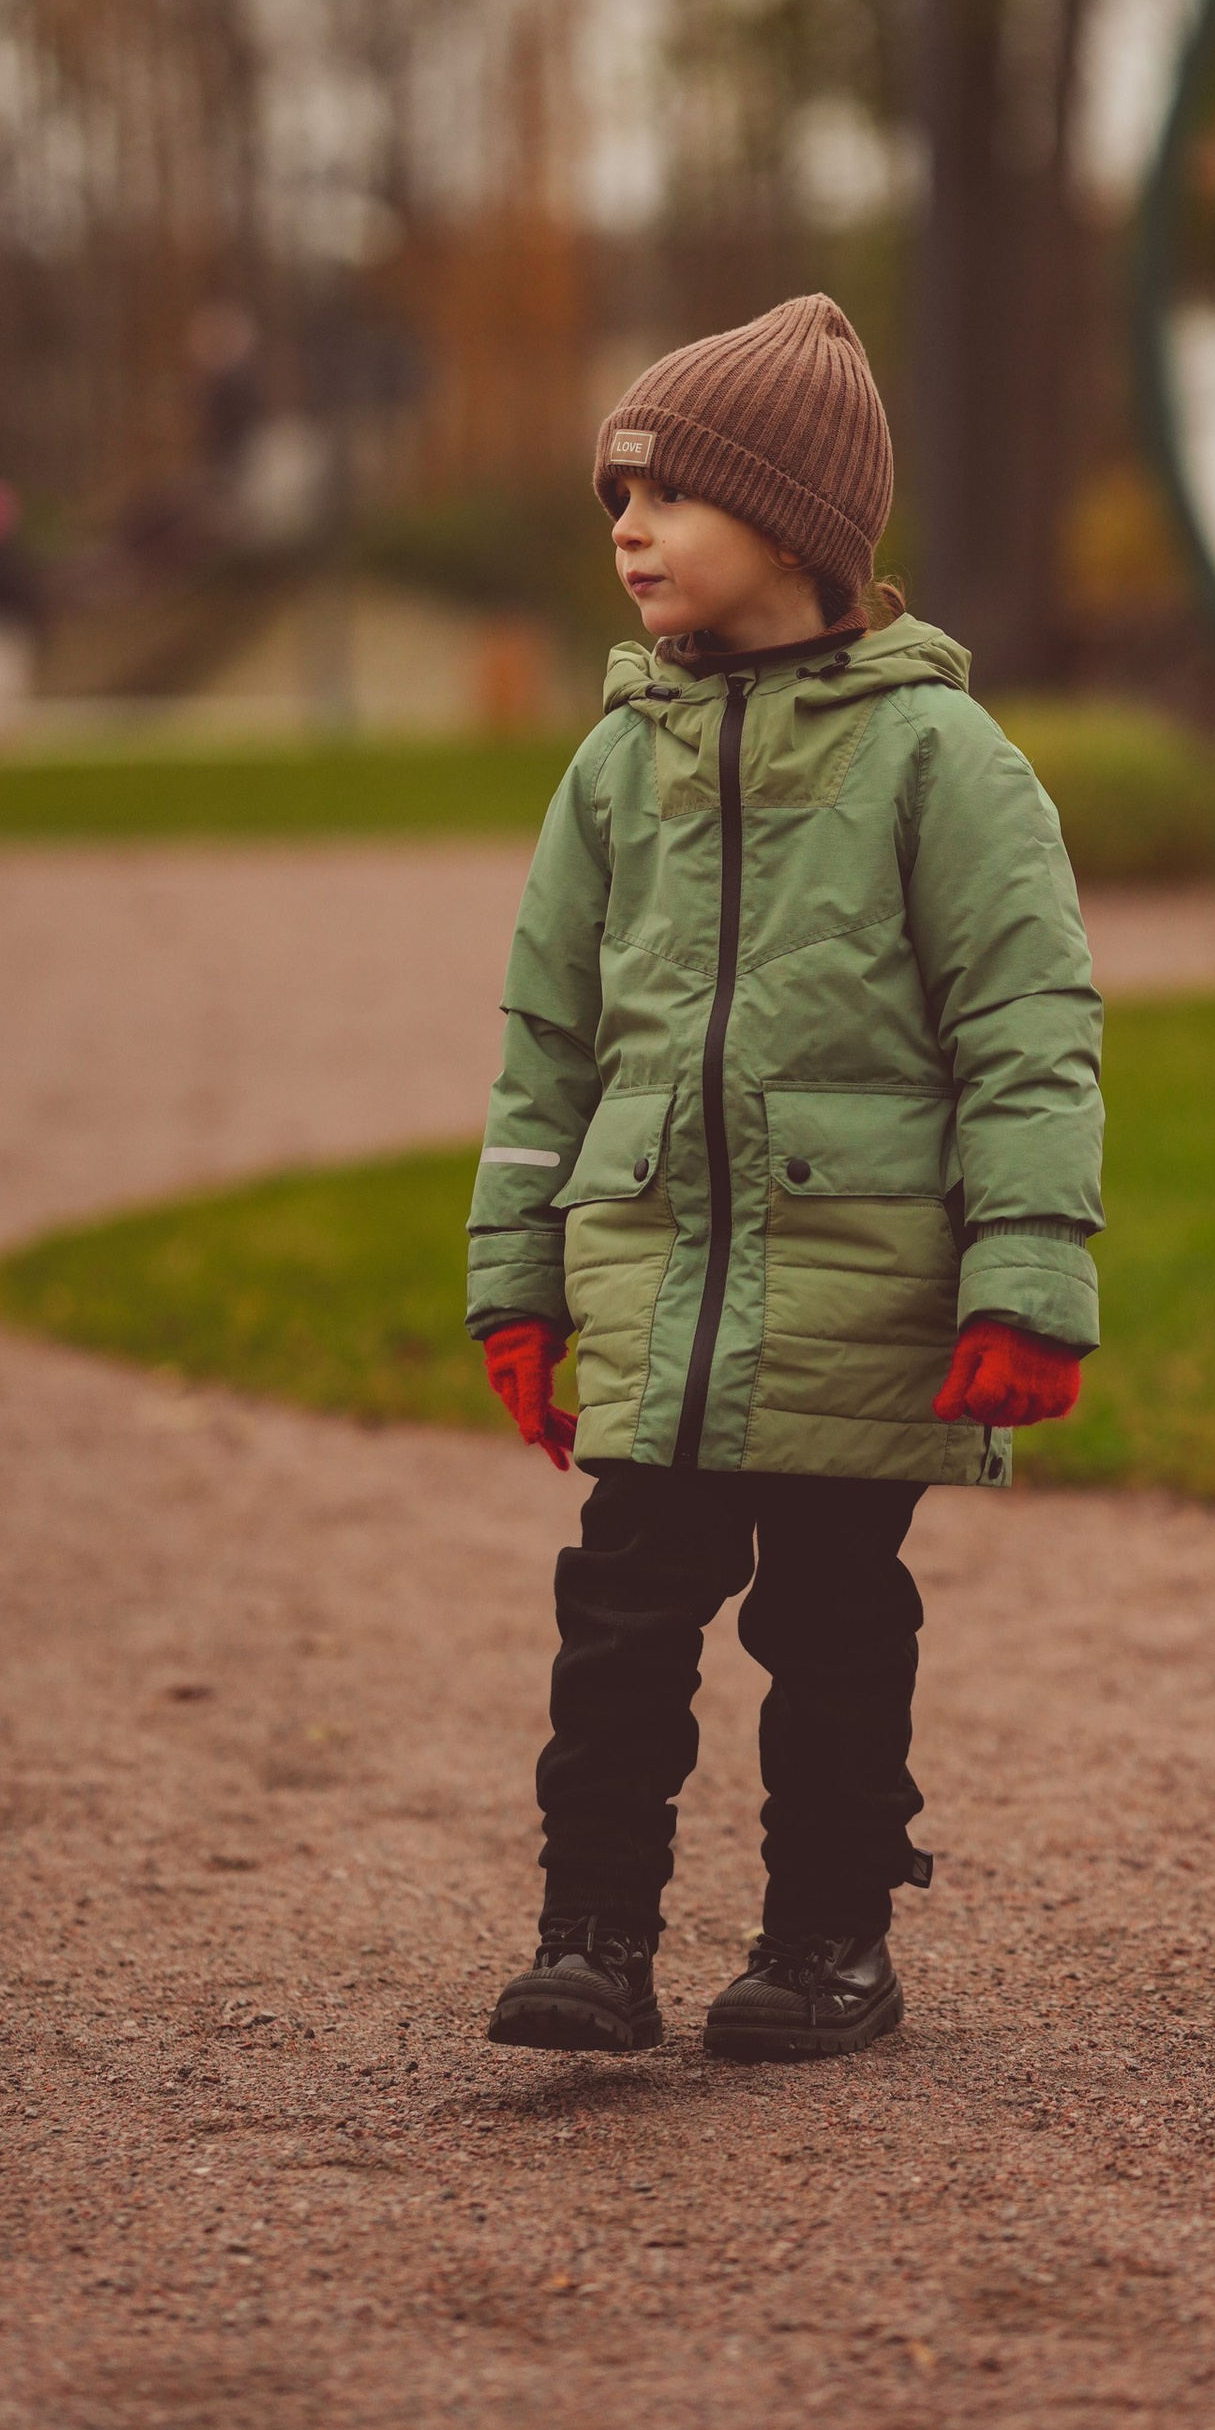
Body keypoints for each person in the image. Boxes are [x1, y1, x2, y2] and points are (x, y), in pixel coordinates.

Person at [466, 294, 1104, 2065]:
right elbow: (544, 1044)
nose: (626, 529)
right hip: (659, 1285)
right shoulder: (616, 767)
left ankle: (828, 1942)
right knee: (619, 1627)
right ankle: (590, 1936)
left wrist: (1027, 1281)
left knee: (832, 1634)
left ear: (802, 528)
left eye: (666, 496)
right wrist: (518, 1279)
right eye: (617, 498)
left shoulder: (939, 760)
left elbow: (1030, 1029)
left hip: (854, 1291)